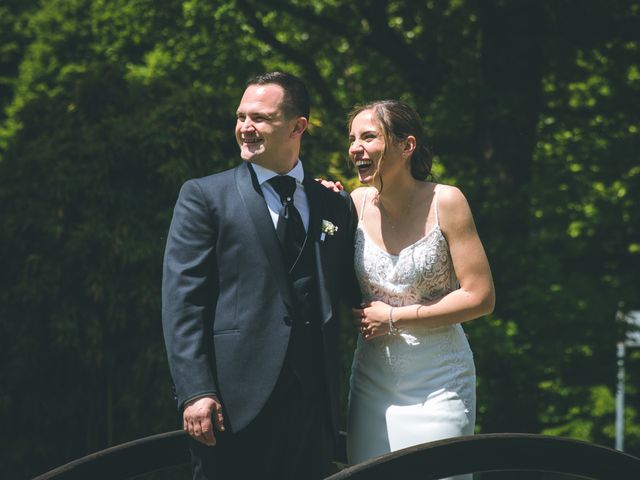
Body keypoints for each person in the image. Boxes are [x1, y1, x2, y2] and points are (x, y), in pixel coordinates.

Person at [161, 72, 361, 480]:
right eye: (240, 117)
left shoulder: (333, 203)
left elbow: (349, 287)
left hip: (312, 407)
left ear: (297, 126)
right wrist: (196, 391)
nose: (245, 128)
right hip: (232, 406)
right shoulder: (204, 196)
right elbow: (182, 302)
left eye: (259, 118)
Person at [344, 100, 495, 478]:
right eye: (352, 139)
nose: (355, 148)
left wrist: (394, 317)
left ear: (405, 145)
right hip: (373, 381)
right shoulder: (354, 203)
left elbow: (480, 296)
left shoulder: (447, 201)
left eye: (369, 137)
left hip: (438, 382)